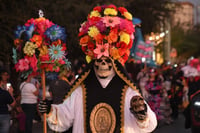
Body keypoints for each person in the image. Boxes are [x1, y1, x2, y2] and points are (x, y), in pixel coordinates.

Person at [39, 4, 157, 133]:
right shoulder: (80, 92)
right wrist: (50, 110)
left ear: (115, 65)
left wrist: (141, 115)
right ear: (93, 62)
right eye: (99, 60)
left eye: (107, 61)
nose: (103, 64)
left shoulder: (128, 93)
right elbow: (64, 117)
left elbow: (149, 123)